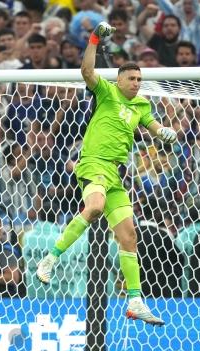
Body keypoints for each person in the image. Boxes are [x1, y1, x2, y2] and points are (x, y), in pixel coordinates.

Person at [35, 22, 178, 326]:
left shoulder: (142, 105)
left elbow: (154, 127)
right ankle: (50, 259)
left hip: (114, 172)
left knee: (129, 235)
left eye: (139, 79)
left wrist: (165, 132)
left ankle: (135, 300)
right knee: (95, 207)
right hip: (93, 163)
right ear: (119, 79)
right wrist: (94, 40)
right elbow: (87, 71)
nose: (136, 83)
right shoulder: (107, 92)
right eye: (131, 78)